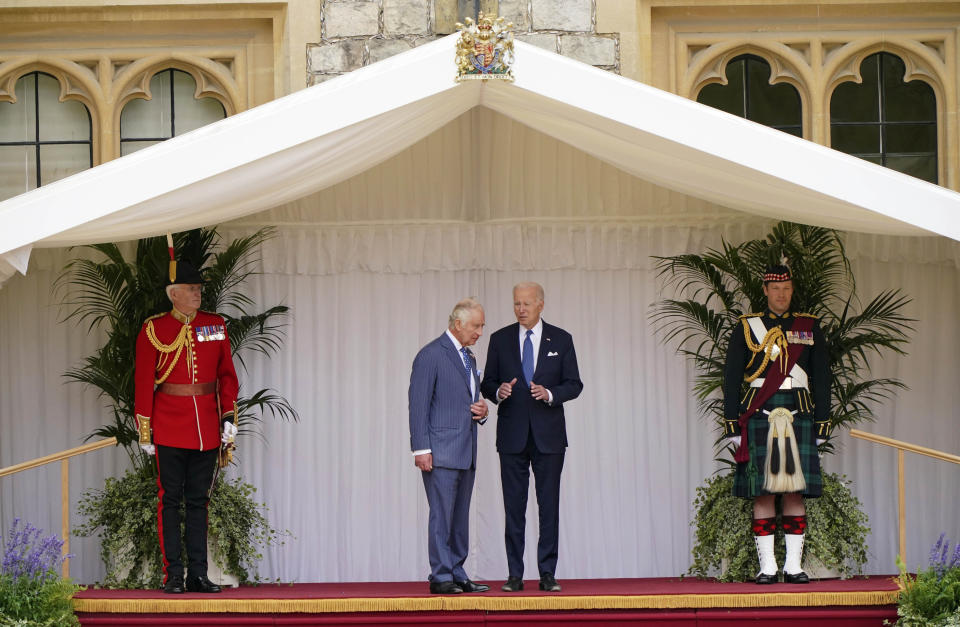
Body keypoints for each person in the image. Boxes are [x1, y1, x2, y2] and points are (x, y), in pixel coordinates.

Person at [135, 258, 240, 594]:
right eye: (191, 289)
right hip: (168, 427)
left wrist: (227, 416)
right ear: (174, 294)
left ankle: (198, 574)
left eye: (198, 289)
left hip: (207, 428)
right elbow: (142, 382)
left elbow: (226, 376)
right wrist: (145, 429)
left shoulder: (215, 325)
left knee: (199, 502)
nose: (197, 294)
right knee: (170, 502)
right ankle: (173, 576)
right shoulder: (155, 329)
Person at [723, 264, 830, 585]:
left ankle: (794, 567)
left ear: (792, 290)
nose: (781, 294)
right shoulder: (746, 327)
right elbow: (730, 379)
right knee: (764, 493)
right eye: (775, 289)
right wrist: (732, 426)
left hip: (799, 411)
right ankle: (768, 567)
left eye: (786, 288)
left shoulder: (808, 326)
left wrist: (822, 425)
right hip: (758, 412)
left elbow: (823, 377)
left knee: (795, 492)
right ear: (766, 291)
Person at [480, 282, 583, 592]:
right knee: (514, 507)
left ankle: (547, 574)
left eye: (526, 304)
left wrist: (550, 393)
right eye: (516, 304)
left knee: (548, 506)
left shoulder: (562, 339)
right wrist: (498, 392)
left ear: (541, 304)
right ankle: (514, 575)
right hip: (511, 435)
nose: (520, 309)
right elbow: (488, 384)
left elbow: (574, 384)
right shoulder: (500, 339)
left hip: (549, 437)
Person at [408, 298, 491, 595]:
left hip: (466, 449)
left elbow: (467, 401)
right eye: (476, 325)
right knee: (441, 516)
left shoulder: (470, 358)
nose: (481, 331)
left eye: (482, 325)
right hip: (440, 451)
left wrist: (483, 411)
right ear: (458, 324)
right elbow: (418, 405)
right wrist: (421, 449)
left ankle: (457, 572)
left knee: (459, 517)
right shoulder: (430, 355)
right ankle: (441, 576)